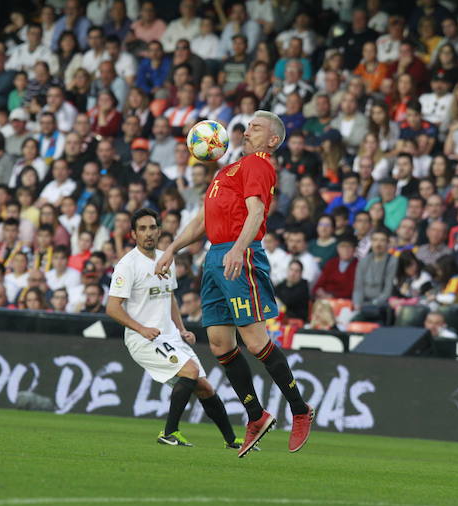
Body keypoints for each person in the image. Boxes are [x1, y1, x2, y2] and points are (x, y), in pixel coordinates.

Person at [155, 110, 314, 458]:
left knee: (256, 341)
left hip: (238, 255)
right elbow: (202, 220)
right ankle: (256, 416)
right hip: (216, 256)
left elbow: (257, 212)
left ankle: (300, 410)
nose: (246, 131)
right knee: (219, 342)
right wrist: (171, 248)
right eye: (247, 126)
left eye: (256, 127)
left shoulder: (259, 163)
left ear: (272, 140)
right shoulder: (227, 171)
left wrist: (239, 250)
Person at [106, 208, 243, 449]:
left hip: (169, 335)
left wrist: (180, 329)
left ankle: (232, 440)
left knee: (205, 386)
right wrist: (142, 329)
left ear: (159, 231)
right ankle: (169, 432)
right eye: (142, 229)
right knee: (190, 372)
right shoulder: (128, 265)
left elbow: (169, 297)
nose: (148, 233)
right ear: (134, 234)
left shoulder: (165, 259)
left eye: (152, 228)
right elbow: (113, 308)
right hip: (143, 339)